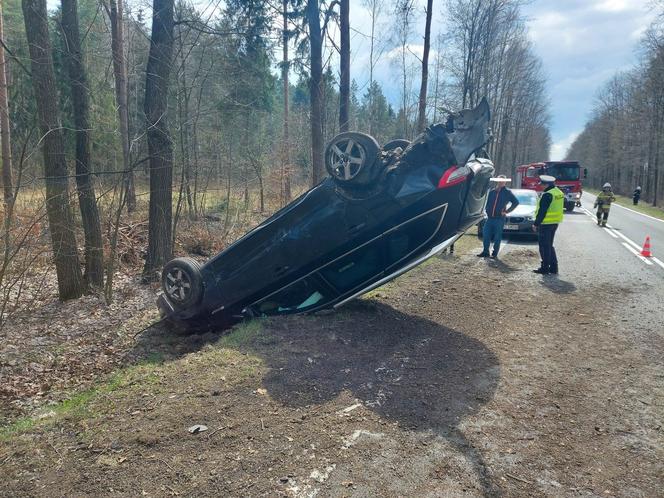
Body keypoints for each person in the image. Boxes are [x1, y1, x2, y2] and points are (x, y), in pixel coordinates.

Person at [477, 175, 519, 259]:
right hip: (489, 218)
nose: (501, 182)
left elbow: (516, 202)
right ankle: (485, 252)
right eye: (499, 181)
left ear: (505, 182)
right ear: (497, 181)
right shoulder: (492, 191)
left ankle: (494, 254)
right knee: (486, 234)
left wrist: (506, 211)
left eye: (502, 181)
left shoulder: (507, 192)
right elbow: (487, 202)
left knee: (497, 237)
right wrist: (486, 209)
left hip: (499, 219)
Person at [532, 175, 564, 275]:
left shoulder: (547, 195)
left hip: (546, 223)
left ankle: (545, 268)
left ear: (547, 184)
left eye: (542, 184)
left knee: (544, 246)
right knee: (549, 245)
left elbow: (542, 211)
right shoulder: (558, 192)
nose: (540, 186)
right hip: (555, 223)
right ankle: (554, 267)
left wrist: (536, 224)